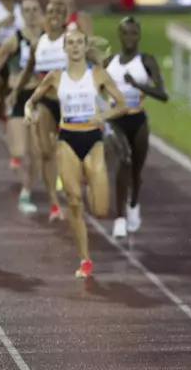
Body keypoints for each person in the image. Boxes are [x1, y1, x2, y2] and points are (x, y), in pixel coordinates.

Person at [23, 29, 129, 278]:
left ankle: (92, 185)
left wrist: (102, 116)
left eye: (79, 42)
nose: (74, 47)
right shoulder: (55, 77)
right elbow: (32, 100)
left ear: (84, 45)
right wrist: (29, 112)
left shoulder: (97, 74)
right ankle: (84, 259)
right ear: (65, 48)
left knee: (101, 209)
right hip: (67, 138)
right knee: (73, 201)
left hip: (92, 139)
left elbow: (122, 105)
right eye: (70, 43)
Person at [104, 16, 169, 238]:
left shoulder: (147, 61)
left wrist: (137, 85)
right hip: (115, 120)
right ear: (119, 35)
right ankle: (120, 217)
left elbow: (162, 94)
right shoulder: (109, 62)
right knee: (123, 160)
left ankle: (133, 203)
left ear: (139, 35)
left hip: (138, 119)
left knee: (136, 170)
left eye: (133, 33)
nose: (129, 37)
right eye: (125, 33)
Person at [8, 1, 67, 222]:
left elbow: (91, 65)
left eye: (59, 12)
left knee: (72, 149)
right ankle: (53, 203)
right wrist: (16, 91)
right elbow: (28, 69)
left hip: (69, 103)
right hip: (45, 102)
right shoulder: (37, 44)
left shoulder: (72, 41)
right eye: (51, 11)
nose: (54, 16)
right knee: (43, 152)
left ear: (64, 16)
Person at [0, 0, 43, 213]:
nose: (31, 13)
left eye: (35, 9)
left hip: (39, 96)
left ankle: (26, 192)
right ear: (21, 14)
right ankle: (18, 164)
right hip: (18, 96)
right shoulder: (14, 40)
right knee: (19, 150)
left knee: (36, 151)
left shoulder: (48, 39)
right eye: (27, 10)